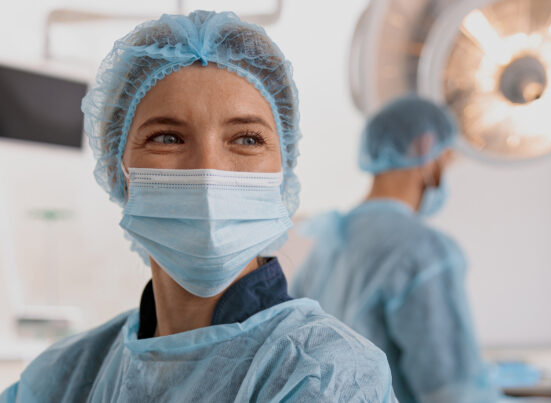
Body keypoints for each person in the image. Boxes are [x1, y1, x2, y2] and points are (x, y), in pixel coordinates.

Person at [0, 11, 396, 402]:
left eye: (247, 139)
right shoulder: (68, 375)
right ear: (118, 170)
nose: (209, 172)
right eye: (168, 138)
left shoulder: (327, 376)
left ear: (282, 169)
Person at [291, 96, 500, 402]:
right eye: (446, 161)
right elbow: (453, 392)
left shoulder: (330, 240)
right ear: (426, 148)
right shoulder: (424, 252)